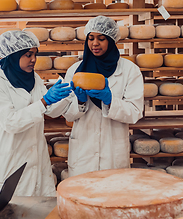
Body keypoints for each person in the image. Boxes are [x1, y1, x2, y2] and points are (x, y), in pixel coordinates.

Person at [0, 31, 71, 219]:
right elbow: (11, 122)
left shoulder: (33, 78)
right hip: (10, 160)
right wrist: (44, 102)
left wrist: (65, 96)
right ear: (12, 57)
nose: (33, 59)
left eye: (35, 54)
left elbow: (48, 111)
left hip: (35, 159)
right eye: (27, 55)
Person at [61, 15, 144, 177]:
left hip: (113, 151)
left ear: (112, 41)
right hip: (83, 151)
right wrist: (79, 102)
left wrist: (110, 100)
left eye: (101, 38)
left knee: (113, 198)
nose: (95, 43)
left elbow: (135, 112)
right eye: (90, 38)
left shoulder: (129, 70)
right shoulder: (75, 71)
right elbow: (67, 114)